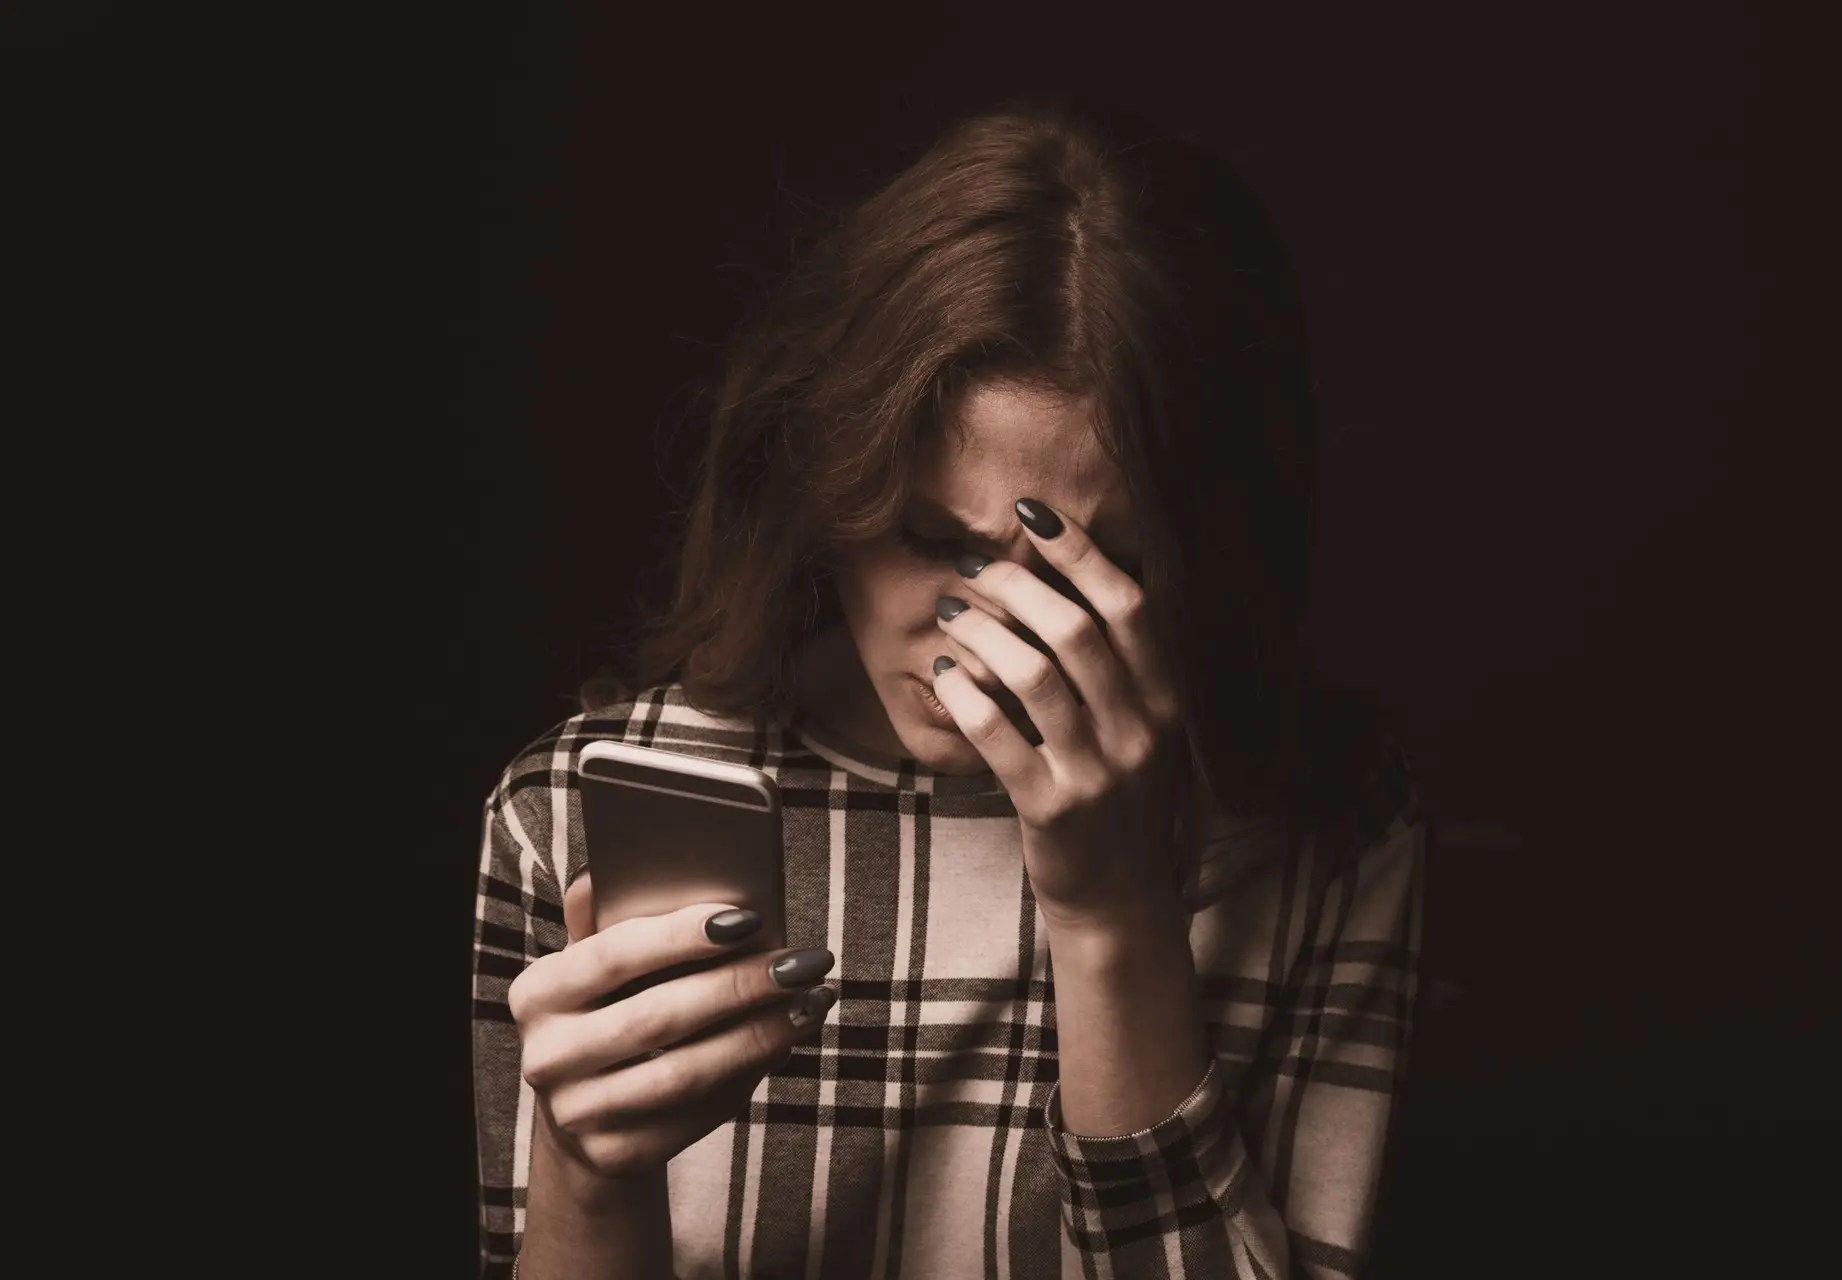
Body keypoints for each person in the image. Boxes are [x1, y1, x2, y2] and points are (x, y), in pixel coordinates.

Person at [473, 96, 1424, 1280]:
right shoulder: (572, 811)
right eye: (936, 539)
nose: (994, 634)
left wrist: (1115, 918)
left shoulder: (1322, 834)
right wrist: (587, 1169)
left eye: (1093, 569)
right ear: (832, 492)